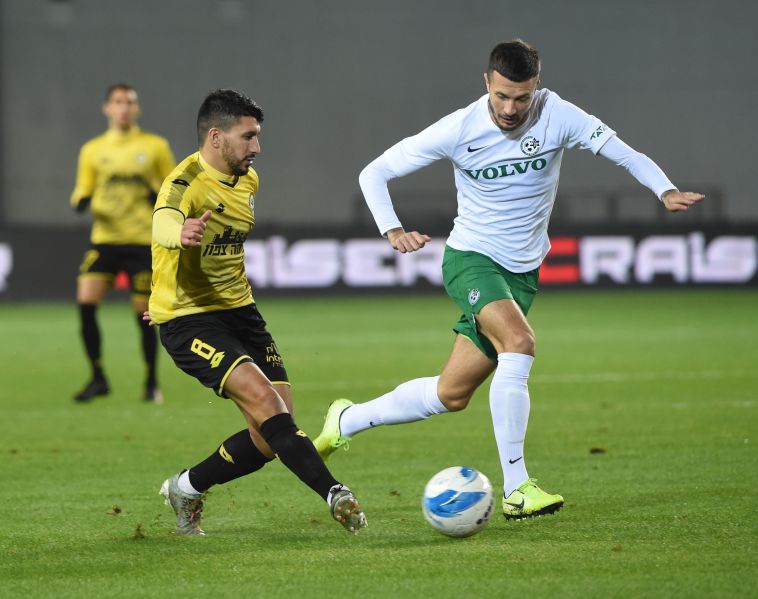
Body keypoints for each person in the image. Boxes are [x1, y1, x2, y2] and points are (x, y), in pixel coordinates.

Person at [315, 39, 705, 520]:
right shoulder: (459, 127)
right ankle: (517, 488)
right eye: (501, 96)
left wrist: (664, 189)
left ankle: (346, 419)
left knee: (450, 394)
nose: (510, 108)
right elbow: (374, 172)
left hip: (521, 274)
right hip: (471, 259)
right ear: (487, 82)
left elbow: (625, 153)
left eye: (522, 97)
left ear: (536, 87)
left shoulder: (558, 115)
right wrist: (392, 230)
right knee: (519, 342)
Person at [151, 89, 367, 536]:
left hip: (242, 312)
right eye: (248, 137)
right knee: (269, 406)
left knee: (271, 435)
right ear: (216, 137)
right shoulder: (184, 182)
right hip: (189, 319)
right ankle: (335, 494)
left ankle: (186, 487)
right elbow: (162, 221)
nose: (257, 147)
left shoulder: (248, 180)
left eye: (257, 136)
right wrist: (179, 233)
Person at [71, 83, 175, 403]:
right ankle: (98, 377)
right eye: (118, 102)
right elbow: (82, 189)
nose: (124, 108)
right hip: (105, 240)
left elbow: (174, 188)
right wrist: (82, 200)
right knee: (86, 303)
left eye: (129, 102)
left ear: (137, 108)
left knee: (143, 314)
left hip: (142, 242)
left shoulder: (155, 146)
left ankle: (151, 382)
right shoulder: (92, 150)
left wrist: (158, 196)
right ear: (107, 108)